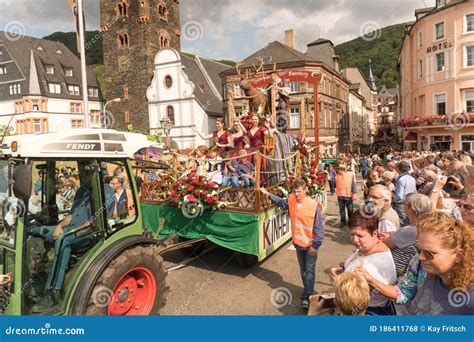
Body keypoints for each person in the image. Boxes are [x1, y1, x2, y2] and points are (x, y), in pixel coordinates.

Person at [358, 212, 474, 315]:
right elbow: (405, 293)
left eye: (429, 253)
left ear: (458, 256)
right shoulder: (429, 273)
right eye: (419, 250)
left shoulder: (469, 299)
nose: (420, 257)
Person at [30, 169, 96, 312]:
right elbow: (71, 216)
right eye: (83, 171)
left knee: (62, 240)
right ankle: (36, 274)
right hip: (71, 228)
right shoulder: (82, 190)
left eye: (87, 170)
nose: (84, 174)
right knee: (37, 231)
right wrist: (59, 226)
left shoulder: (103, 190)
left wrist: (72, 230)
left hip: (87, 233)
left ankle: (53, 292)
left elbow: (97, 221)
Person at [260, 179, 324, 310]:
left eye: (299, 192)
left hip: (311, 246)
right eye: (295, 192)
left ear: (305, 191)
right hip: (298, 244)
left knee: (309, 271)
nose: (297, 194)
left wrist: (315, 246)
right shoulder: (291, 201)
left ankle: (307, 296)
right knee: (303, 270)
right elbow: (280, 202)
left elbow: (319, 230)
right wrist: (267, 194)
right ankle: (308, 291)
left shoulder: (313, 205)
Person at [329, 212, 396, 315]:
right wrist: (343, 270)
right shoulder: (371, 247)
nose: (355, 240)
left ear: (374, 233)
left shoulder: (370, 266)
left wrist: (337, 282)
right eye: (352, 234)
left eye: (360, 235)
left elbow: (349, 298)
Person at [383, 193, 432, 277]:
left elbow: (383, 245)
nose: (402, 206)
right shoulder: (428, 226)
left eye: (404, 204)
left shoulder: (409, 230)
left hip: (398, 274)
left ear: (411, 210)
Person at [392, 161, 417, 226]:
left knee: (403, 223)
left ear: (398, 169)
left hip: (402, 205)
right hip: (411, 203)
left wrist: (391, 194)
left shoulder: (401, 180)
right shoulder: (412, 178)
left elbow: (399, 197)